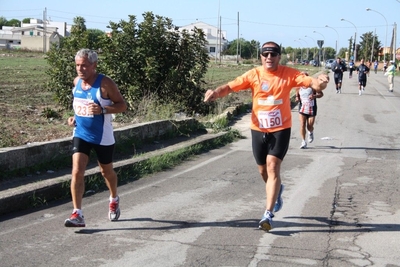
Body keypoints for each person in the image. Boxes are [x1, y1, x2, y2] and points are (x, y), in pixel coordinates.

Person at [203, 41, 329, 231]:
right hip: (258, 129)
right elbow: (230, 87)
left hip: (281, 129)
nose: (269, 57)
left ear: (279, 56)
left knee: (273, 166)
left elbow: (312, 82)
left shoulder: (289, 74)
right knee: (263, 171)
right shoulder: (254, 74)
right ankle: (277, 192)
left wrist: (321, 81)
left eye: (273, 54)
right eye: (265, 54)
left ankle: (267, 214)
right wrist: (215, 93)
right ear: (260, 56)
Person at [64, 49, 127, 227]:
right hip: (81, 133)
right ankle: (78, 214)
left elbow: (122, 106)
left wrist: (103, 110)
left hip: (102, 136)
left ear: (94, 65)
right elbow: (79, 106)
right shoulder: (77, 83)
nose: (80, 69)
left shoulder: (105, 84)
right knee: (77, 171)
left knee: (106, 172)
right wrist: (73, 118)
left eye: (84, 65)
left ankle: (114, 198)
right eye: (77, 65)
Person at [295, 73, 324, 149]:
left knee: (309, 126)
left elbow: (321, 94)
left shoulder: (313, 86)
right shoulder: (298, 87)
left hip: (311, 108)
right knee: (302, 124)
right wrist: (297, 98)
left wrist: (315, 96)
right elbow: (297, 95)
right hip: (302, 108)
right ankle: (303, 141)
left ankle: (310, 132)